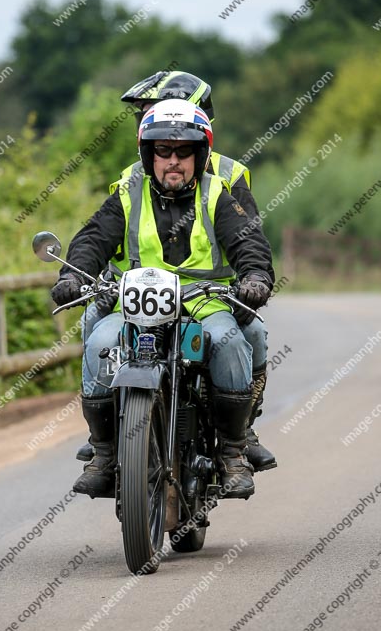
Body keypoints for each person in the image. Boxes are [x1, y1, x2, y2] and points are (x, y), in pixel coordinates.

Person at [51, 100, 274, 500]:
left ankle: (233, 454)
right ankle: (103, 454)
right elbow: (93, 238)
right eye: (163, 151)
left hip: (204, 302)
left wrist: (255, 276)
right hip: (134, 301)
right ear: (148, 155)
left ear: (200, 154)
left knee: (229, 344)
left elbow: (248, 241)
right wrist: (70, 274)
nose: (173, 161)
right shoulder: (127, 193)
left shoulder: (218, 194)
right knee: (101, 343)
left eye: (183, 152)